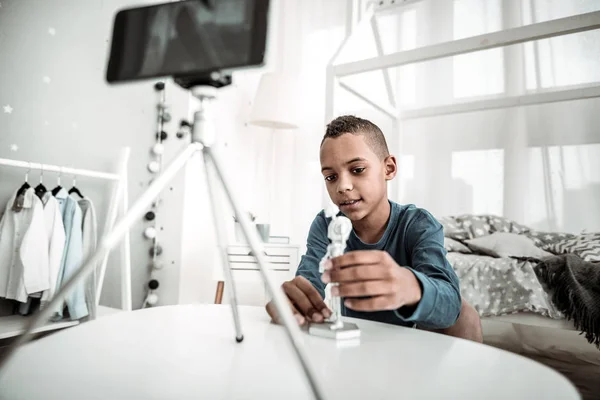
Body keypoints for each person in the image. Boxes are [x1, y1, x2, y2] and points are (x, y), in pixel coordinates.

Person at [265, 115, 483, 343]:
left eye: (357, 170)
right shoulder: (326, 225)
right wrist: (295, 300)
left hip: (412, 341)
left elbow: (450, 303)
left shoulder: (418, 224)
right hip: (356, 341)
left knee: (466, 315)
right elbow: (310, 279)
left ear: (388, 168)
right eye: (331, 177)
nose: (343, 186)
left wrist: (411, 286)